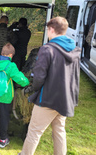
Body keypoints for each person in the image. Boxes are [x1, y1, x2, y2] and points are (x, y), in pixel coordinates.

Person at [19, 17, 81, 155]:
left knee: (34, 131)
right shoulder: (75, 50)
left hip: (48, 98)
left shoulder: (47, 49)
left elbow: (39, 76)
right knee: (59, 130)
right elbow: (75, 77)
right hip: (65, 98)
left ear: (51, 29)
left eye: (47, 29)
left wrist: (33, 88)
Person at [0, 43, 29, 148]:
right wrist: (27, 82)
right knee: (4, 117)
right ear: (11, 55)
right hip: (5, 96)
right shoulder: (11, 66)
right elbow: (20, 78)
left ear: (2, 53)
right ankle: (3, 140)